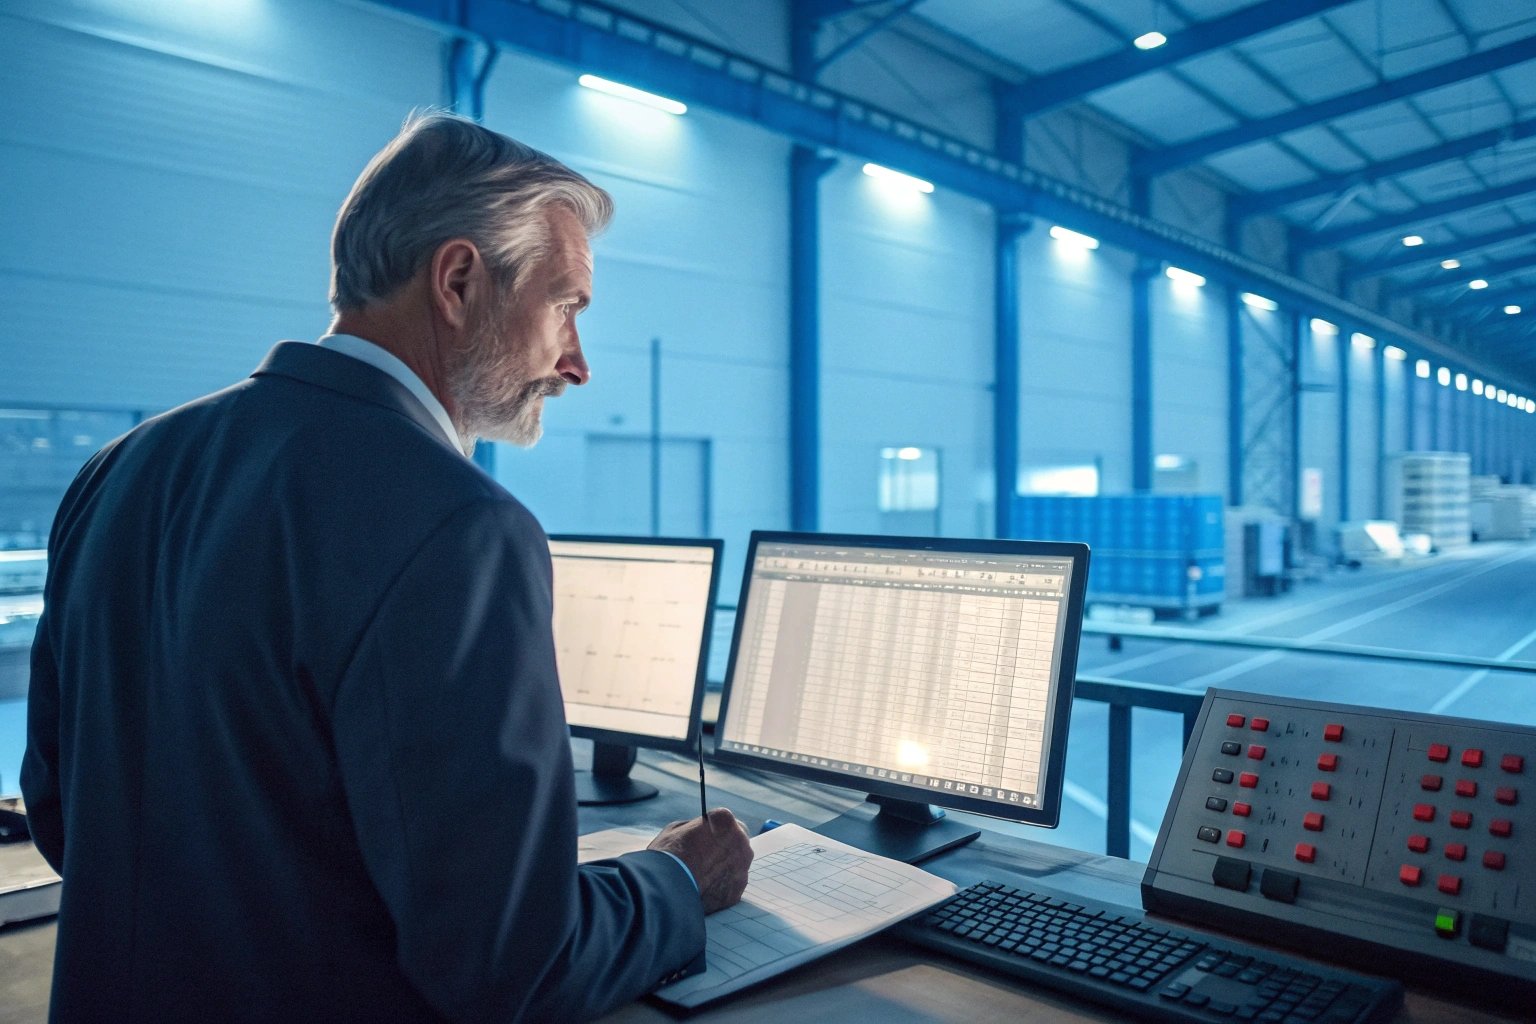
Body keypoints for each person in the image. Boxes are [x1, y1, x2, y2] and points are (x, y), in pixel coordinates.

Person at [22, 112, 754, 1023]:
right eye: (566, 307)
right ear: (457, 280)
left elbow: (61, 814)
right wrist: (675, 879)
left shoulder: (122, 468)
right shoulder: (458, 526)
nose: (577, 364)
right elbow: (513, 964)